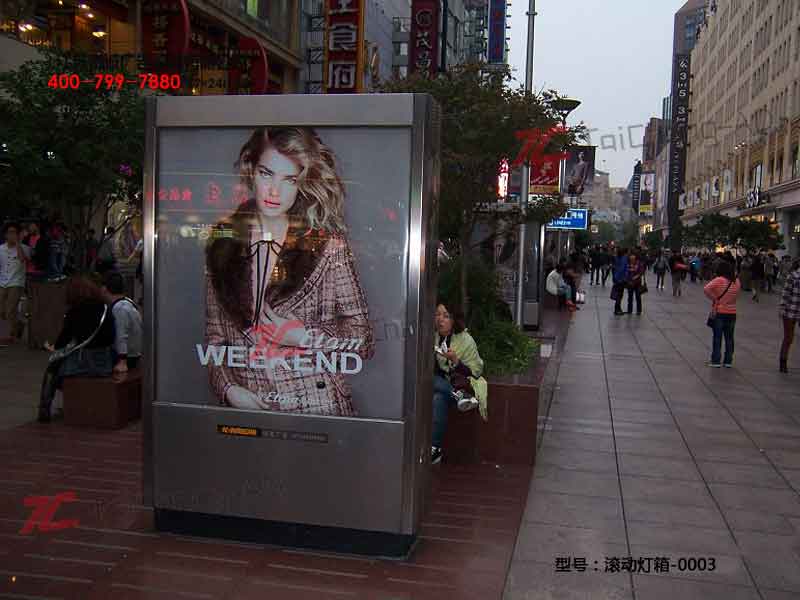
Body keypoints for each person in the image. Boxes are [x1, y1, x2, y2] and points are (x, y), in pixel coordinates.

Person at [204, 126, 375, 416]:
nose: (275, 191)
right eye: (266, 173)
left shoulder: (327, 245)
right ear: (251, 171)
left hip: (317, 407)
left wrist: (304, 337)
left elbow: (364, 340)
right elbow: (215, 338)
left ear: (302, 184)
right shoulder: (223, 244)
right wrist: (229, 389)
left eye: (289, 180)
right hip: (251, 407)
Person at [40, 276, 116, 421]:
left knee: (52, 368)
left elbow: (63, 341)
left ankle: (44, 408)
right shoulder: (105, 308)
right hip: (105, 364)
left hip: (82, 364)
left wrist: (53, 347)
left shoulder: (74, 312)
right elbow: (111, 337)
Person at [431, 301, 487, 465]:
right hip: (446, 389)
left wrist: (455, 361)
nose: (440, 319)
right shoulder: (433, 337)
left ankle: (460, 394)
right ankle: (435, 449)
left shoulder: (465, 341)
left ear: (454, 320)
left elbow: (475, 372)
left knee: (436, 389)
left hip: (464, 385)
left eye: (446, 316)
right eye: (437, 314)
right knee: (436, 395)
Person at [102, 271, 142, 373]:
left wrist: (122, 361)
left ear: (104, 289)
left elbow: (121, 335)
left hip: (126, 357)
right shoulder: (128, 302)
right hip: (133, 354)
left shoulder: (119, 309)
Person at [703, 261, 740, 368]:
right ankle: (728, 361)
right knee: (729, 338)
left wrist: (715, 298)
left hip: (720, 312)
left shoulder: (719, 280)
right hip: (732, 312)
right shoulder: (737, 281)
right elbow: (736, 295)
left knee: (717, 337)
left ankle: (716, 361)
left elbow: (706, 289)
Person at [0, 223, 32, 345]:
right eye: (10, 232)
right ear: (5, 234)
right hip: (2, 282)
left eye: (14, 232)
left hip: (17, 282)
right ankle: (19, 325)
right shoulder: (1, 249)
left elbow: (22, 259)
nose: (12, 235)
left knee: (10, 309)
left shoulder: (24, 248)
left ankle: (11, 335)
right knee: (2, 311)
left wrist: (18, 243)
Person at [779, 258, 800, 373]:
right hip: (791, 311)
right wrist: (782, 308)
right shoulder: (793, 276)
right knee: (788, 338)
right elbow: (785, 293)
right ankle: (783, 362)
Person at [611, 247, 629, 316]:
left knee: (618, 294)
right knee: (619, 295)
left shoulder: (616, 258)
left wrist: (615, 277)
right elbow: (622, 269)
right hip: (621, 279)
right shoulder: (624, 259)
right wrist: (624, 278)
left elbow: (614, 268)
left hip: (616, 278)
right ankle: (617, 309)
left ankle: (618, 308)